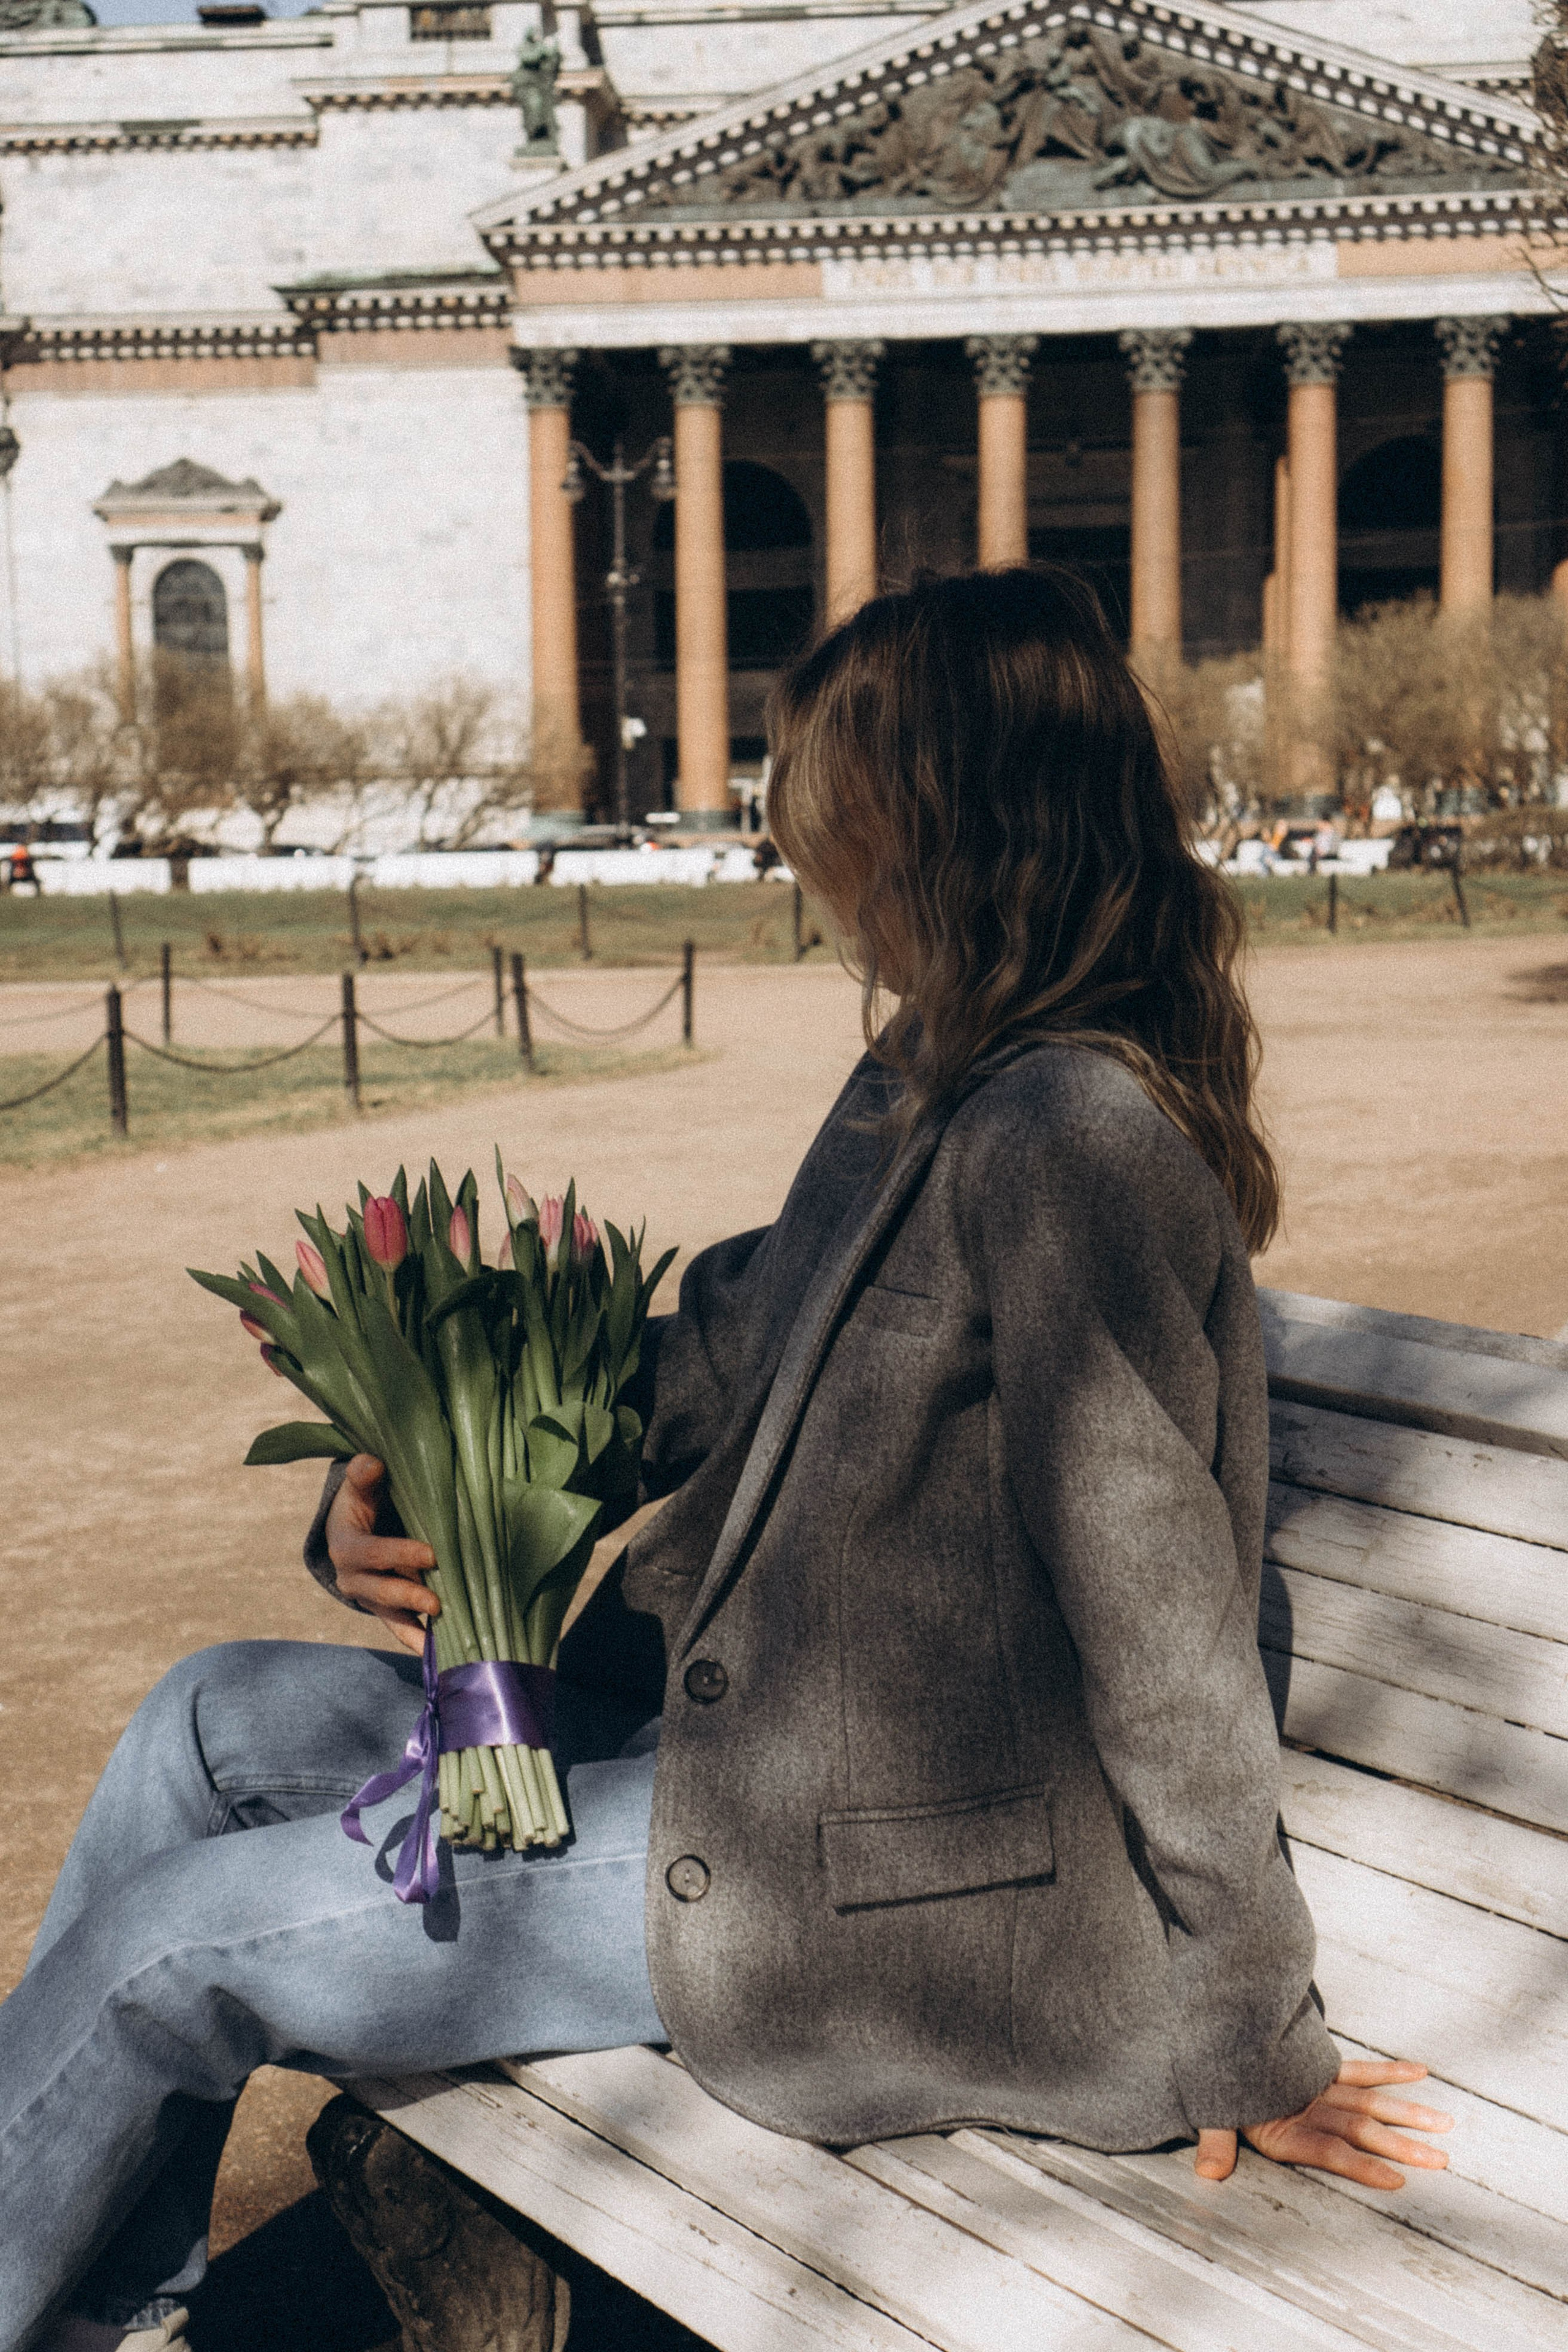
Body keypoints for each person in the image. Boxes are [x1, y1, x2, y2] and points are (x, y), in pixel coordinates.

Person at [0, 568, 1451, 2352]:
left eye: (819, 805)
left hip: (863, 1888)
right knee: (204, 1723)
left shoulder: (1071, 1137)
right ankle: (96, 2312)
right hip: (708, 1759)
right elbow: (704, 1354)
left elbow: (1166, 1632)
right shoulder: (924, 1083)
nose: (793, 850)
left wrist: (1247, 2032)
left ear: (938, 822)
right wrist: (433, 1472)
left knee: (180, 1947)